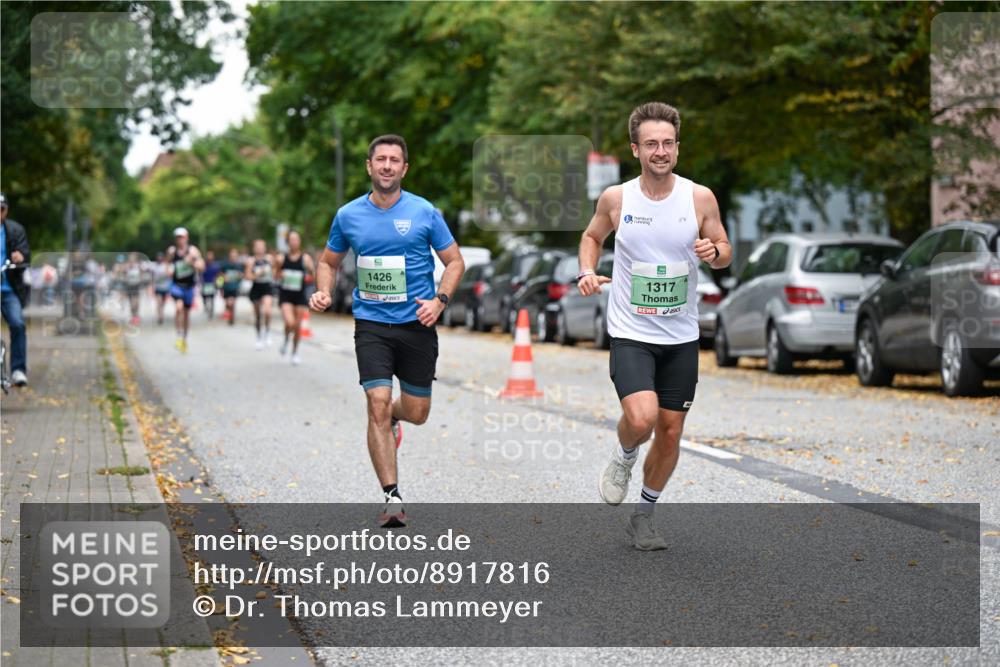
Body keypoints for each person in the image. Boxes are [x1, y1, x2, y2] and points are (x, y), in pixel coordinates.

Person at [577, 102, 732, 550]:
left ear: (677, 149)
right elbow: (591, 237)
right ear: (635, 149)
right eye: (651, 144)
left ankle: (644, 515)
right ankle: (625, 454)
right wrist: (587, 271)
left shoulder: (699, 198)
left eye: (667, 143)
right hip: (632, 332)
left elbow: (724, 249)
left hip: (682, 335)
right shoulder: (617, 199)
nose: (660, 151)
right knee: (642, 419)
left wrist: (715, 253)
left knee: (670, 430)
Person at [310, 134, 465, 528]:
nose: (387, 166)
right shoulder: (348, 215)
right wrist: (324, 290)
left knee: (417, 412)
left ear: (404, 169)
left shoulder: (424, 212)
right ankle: (392, 498)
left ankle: (398, 417)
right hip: (372, 324)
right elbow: (328, 261)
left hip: (417, 324)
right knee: (376, 402)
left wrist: (440, 301)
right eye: (380, 159)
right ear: (369, 166)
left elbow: (455, 262)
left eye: (395, 160)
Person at [0, 193, 30, 387]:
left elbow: (25, 254)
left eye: (1, 209)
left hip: (8, 289)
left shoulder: (15, 230)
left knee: (18, 324)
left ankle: (18, 369)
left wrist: (21, 257)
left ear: (6, 210)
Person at [275, 230, 315, 365]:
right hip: (285, 295)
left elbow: (313, 274)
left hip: (300, 295)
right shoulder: (281, 258)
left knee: (297, 326)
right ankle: (286, 339)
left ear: (299, 242)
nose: (294, 242)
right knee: (290, 323)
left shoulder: (305, 258)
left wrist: (310, 270)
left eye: (296, 239)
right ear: (287, 242)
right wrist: (280, 275)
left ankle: (295, 352)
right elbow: (275, 275)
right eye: (291, 239)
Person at [166, 227, 205, 353]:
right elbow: (167, 266)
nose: (180, 240)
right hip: (177, 285)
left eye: (182, 237)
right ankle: (178, 335)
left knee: (187, 314)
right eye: (177, 237)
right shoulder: (172, 251)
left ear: (186, 237)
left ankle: (184, 338)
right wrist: (169, 270)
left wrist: (192, 262)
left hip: (190, 286)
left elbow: (201, 267)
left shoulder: (193, 251)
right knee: (178, 308)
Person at [246, 239, 275, 349]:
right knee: (258, 315)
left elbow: (276, 270)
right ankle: (258, 337)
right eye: (257, 246)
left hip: (267, 287)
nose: (260, 248)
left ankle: (267, 332)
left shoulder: (269, 259)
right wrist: (257, 274)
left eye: (262, 246)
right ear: (254, 248)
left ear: (265, 248)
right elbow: (248, 276)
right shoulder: (251, 261)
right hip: (256, 288)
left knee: (267, 311)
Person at [220, 248, 243, 325]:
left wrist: (240, 277)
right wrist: (221, 285)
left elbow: (242, 276)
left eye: (235, 256)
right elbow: (220, 276)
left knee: (232, 303)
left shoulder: (239, 266)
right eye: (232, 256)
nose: (233, 257)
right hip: (226, 288)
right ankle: (229, 313)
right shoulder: (225, 265)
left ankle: (232, 317)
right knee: (228, 303)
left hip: (235, 287)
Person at [122, 252, 144, 326]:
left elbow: (141, 274)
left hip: (136, 286)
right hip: (129, 286)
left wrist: (140, 280)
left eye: (133, 257)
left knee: (136, 303)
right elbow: (123, 274)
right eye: (131, 257)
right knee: (131, 304)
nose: (132, 259)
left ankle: (136, 315)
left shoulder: (138, 266)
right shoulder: (127, 266)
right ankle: (133, 317)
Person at [152, 252, 172, 325]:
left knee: (163, 303)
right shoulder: (154, 266)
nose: (159, 258)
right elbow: (152, 277)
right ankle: (160, 316)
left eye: (160, 257)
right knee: (159, 302)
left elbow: (169, 275)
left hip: (165, 287)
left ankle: (161, 313)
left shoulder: (165, 266)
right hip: (158, 287)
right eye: (158, 257)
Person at [200, 250, 221, 320]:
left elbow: (219, 276)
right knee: (204, 297)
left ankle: (211, 312)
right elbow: (200, 274)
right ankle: (206, 307)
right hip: (205, 284)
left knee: (212, 299)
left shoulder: (216, 266)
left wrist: (219, 284)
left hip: (212, 284)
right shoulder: (203, 265)